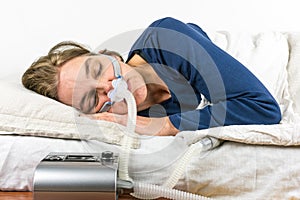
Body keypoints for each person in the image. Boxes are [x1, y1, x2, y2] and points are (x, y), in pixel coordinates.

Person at [22, 17, 281, 136]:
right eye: (91, 98)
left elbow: (263, 107)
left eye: (97, 69)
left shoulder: (168, 39)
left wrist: (168, 125)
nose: (110, 86)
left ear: (109, 54)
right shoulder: (128, 121)